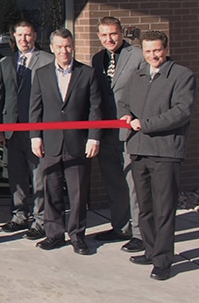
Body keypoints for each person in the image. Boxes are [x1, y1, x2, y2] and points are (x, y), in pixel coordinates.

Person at [119, 30, 196, 281]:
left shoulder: (182, 75)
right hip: (139, 149)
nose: (153, 55)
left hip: (165, 152)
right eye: (148, 51)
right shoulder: (137, 75)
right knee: (145, 207)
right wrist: (127, 116)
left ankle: (164, 260)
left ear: (166, 48)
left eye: (157, 50)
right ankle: (151, 251)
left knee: (164, 209)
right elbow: (124, 102)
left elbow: (181, 112)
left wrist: (147, 123)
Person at [29, 28, 101, 255]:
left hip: (77, 143)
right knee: (51, 191)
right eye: (59, 47)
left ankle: (77, 236)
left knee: (78, 193)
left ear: (73, 47)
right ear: (51, 48)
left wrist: (93, 137)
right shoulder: (41, 74)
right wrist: (35, 136)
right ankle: (54, 234)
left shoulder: (87, 73)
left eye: (67, 46)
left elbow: (95, 109)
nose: (64, 51)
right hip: (50, 143)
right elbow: (35, 109)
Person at [91, 17, 147, 252]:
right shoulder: (97, 59)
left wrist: (136, 116)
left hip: (130, 131)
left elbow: (146, 89)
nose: (109, 39)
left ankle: (141, 233)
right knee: (114, 181)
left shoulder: (137, 55)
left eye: (113, 34)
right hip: (107, 131)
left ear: (122, 32)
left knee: (133, 183)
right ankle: (120, 226)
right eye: (104, 35)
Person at [0, 20, 53, 240]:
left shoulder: (47, 60)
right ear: (14, 37)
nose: (23, 40)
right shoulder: (5, 62)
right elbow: (0, 96)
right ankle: (19, 216)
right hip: (11, 129)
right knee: (16, 176)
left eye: (27, 35)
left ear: (35, 36)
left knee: (38, 176)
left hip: (36, 129)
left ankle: (41, 220)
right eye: (19, 36)